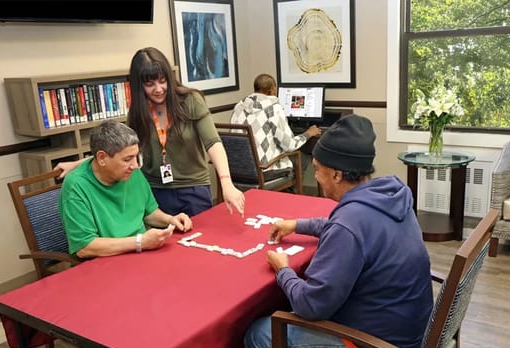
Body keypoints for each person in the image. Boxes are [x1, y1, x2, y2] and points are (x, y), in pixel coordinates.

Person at [243, 114, 434, 348]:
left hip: (378, 347)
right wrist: (298, 224)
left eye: (318, 170)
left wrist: (284, 270)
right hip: (410, 329)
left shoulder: (349, 224)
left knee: (259, 336)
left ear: (336, 174)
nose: (316, 176)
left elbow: (311, 305)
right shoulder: (391, 194)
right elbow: (344, 227)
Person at [55, 47, 244, 217]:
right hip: (154, 191)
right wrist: (77, 164)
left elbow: (213, 143)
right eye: (150, 84)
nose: (159, 89)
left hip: (193, 188)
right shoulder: (138, 112)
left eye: (163, 81)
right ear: (139, 85)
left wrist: (226, 182)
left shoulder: (191, 100)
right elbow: (122, 152)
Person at [58, 120, 193, 259]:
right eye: (127, 159)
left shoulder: (131, 172)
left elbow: (149, 212)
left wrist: (170, 220)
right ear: (102, 158)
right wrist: (140, 242)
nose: (135, 165)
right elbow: (85, 247)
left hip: (140, 253)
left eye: (136, 156)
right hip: (106, 261)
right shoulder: (76, 186)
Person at [230, 73, 321, 178]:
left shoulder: (238, 107)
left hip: (237, 168)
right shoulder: (273, 108)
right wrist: (308, 134)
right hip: (264, 169)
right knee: (302, 158)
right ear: (271, 90)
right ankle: (287, 193)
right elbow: (290, 146)